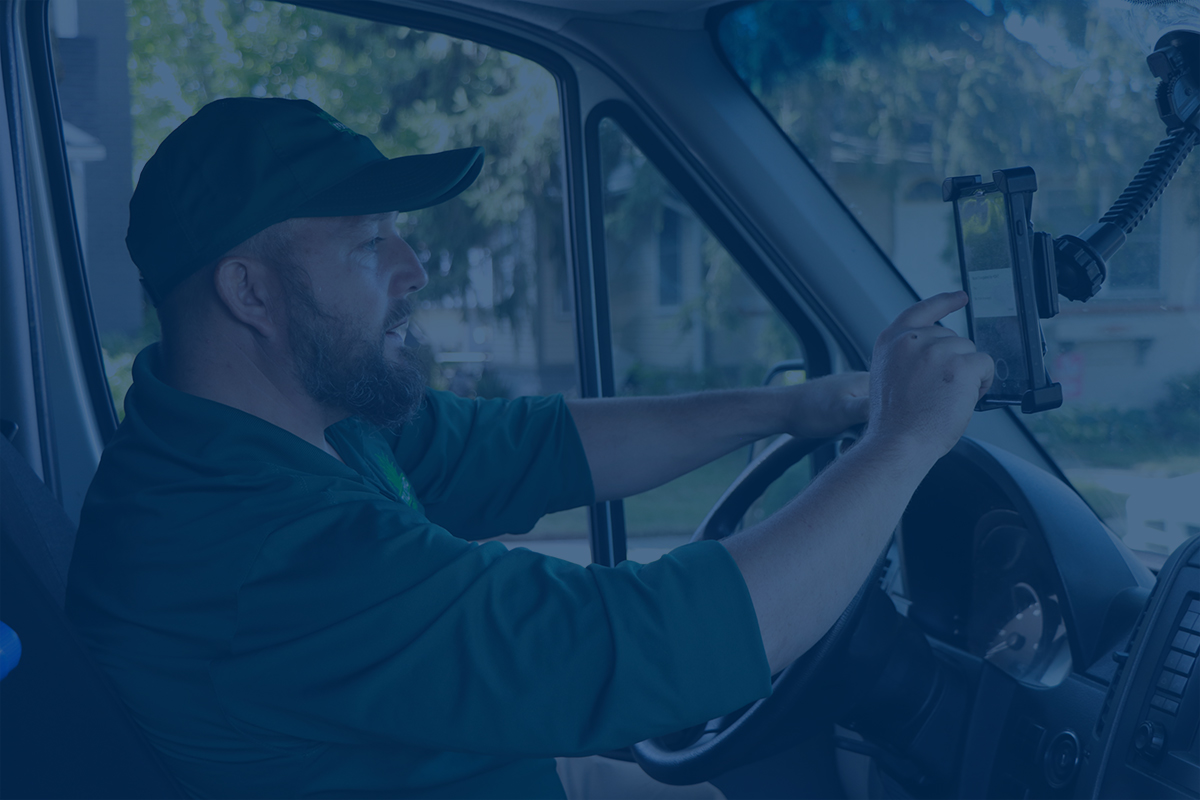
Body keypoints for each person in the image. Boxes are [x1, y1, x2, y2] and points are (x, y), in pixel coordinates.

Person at [66, 97, 993, 799]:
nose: (414, 270)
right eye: (369, 244)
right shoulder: (252, 545)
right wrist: (902, 444)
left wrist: (796, 407)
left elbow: (536, 445)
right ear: (250, 294)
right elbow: (642, 651)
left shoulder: (283, 427)